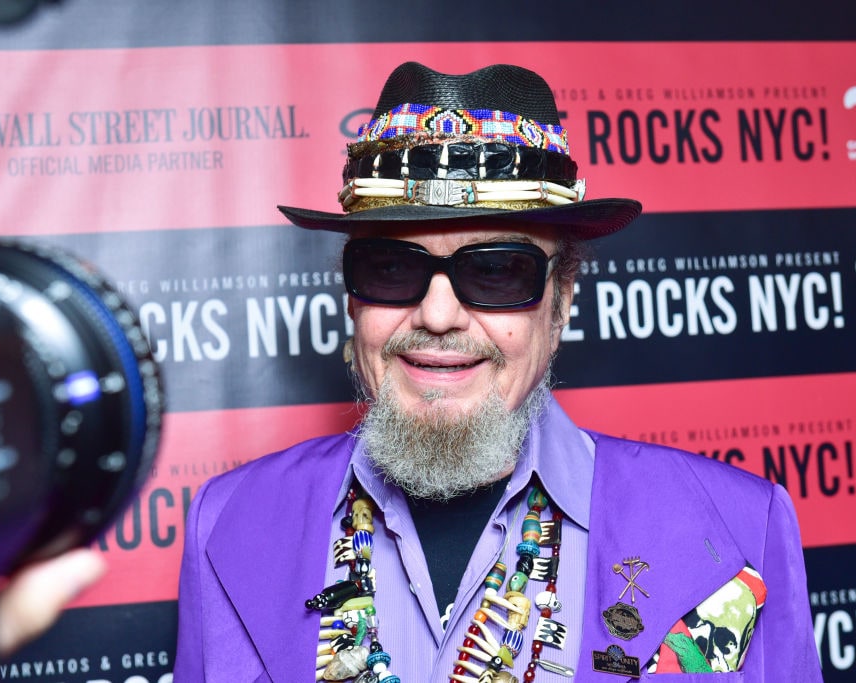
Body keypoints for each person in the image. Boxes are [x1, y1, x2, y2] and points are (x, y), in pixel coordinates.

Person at [173, 62, 822, 681]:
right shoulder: (230, 524)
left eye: (495, 270)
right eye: (393, 267)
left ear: (563, 300)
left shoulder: (735, 529)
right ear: (352, 296)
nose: (437, 313)